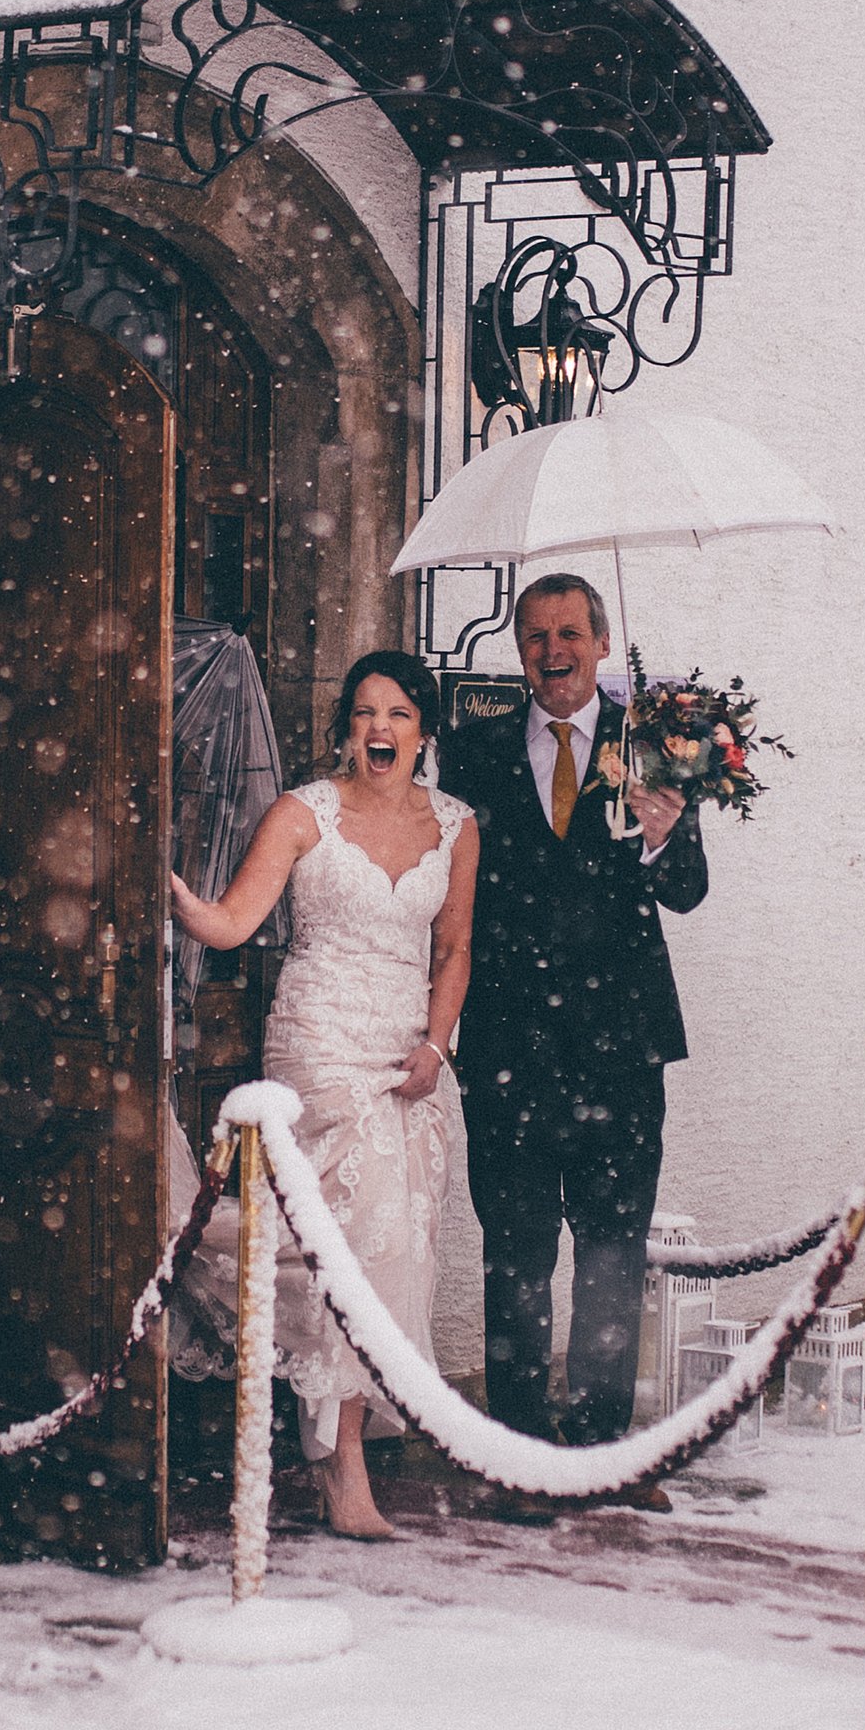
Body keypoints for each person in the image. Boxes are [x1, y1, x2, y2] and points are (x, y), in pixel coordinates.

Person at [169, 652, 475, 1540]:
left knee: (395, 1248)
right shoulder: (304, 812)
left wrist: (436, 1044)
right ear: (348, 727)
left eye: (400, 715)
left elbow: (454, 952)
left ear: (424, 732)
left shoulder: (456, 827)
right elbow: (233, 923)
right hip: (319, 1045)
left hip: (406, 1055)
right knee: (354, 1238)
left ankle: (332, 1444)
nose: (380, 729)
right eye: (366, 713)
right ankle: (342, 1476)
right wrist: (176, 896)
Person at [442, 571, 706, 1514]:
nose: (552, 652)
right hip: (507, 1047)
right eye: (535, 637)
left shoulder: (655, 747)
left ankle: (602, 1455)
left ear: (601, 644)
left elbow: (687, 893)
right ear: (520, 652)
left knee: (612, 1250)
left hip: (620, 1047)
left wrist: (665, 835)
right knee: (514, 1254)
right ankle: (518, 1455)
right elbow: (450, 900)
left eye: (569, 634)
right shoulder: (470, 755)